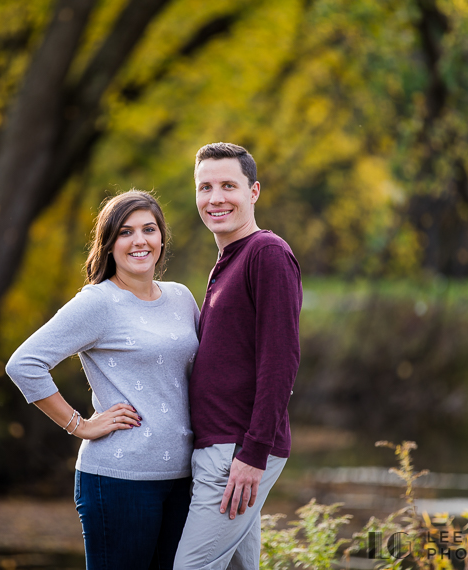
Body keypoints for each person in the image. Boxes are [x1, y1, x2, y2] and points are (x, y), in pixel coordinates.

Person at [6, 190, 200, 570]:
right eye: (126, 232)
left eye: (149, 229)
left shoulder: (181, 298)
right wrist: (80, 425)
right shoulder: (98, 302)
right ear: (109, 244)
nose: (139, 240)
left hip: (184, 477)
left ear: (162, 237)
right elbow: (24, 364)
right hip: (119, 480)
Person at [174, 143, 302, 569]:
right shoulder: (228, 260)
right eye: (204, 187)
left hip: (236, 450)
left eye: (229, 185)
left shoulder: (267, 254)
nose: (215, 198)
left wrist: (253, 454)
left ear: (254, 191)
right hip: (220, 446)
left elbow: (280, 361)